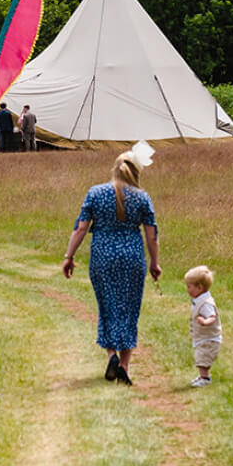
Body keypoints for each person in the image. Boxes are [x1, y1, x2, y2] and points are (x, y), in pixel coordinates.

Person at [61, 152, 160, 384]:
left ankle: (112, 356)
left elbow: (81, 228)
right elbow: (152, 234)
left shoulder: (95, 193)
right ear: (135, 172)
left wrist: (69, 256)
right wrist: (154, 262)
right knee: (129, 309)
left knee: (108, 306)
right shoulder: (142, 197)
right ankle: (125, 365)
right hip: (132, 256)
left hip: (103, 256)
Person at [185, 265, 221, 387]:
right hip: (204, 338)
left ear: (199, 287)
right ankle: (203, 376)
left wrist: (205, 322)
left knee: (202, 357)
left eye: (189, 286)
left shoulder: (206, 303)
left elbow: (212, 316)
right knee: (200, 356)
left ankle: (205, 378)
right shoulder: (199, 299)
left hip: (210, 339)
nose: (187, 289)